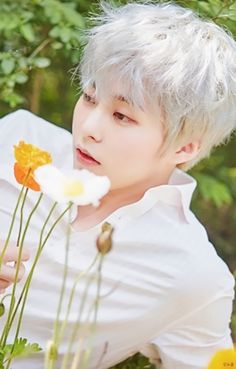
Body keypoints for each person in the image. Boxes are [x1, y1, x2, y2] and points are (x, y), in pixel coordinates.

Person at [0, 2, 236, 368]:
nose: (89, 127)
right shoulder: (16, 139)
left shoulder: (191, 273)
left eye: (122, 116)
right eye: (90, 97)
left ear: (185, 145)